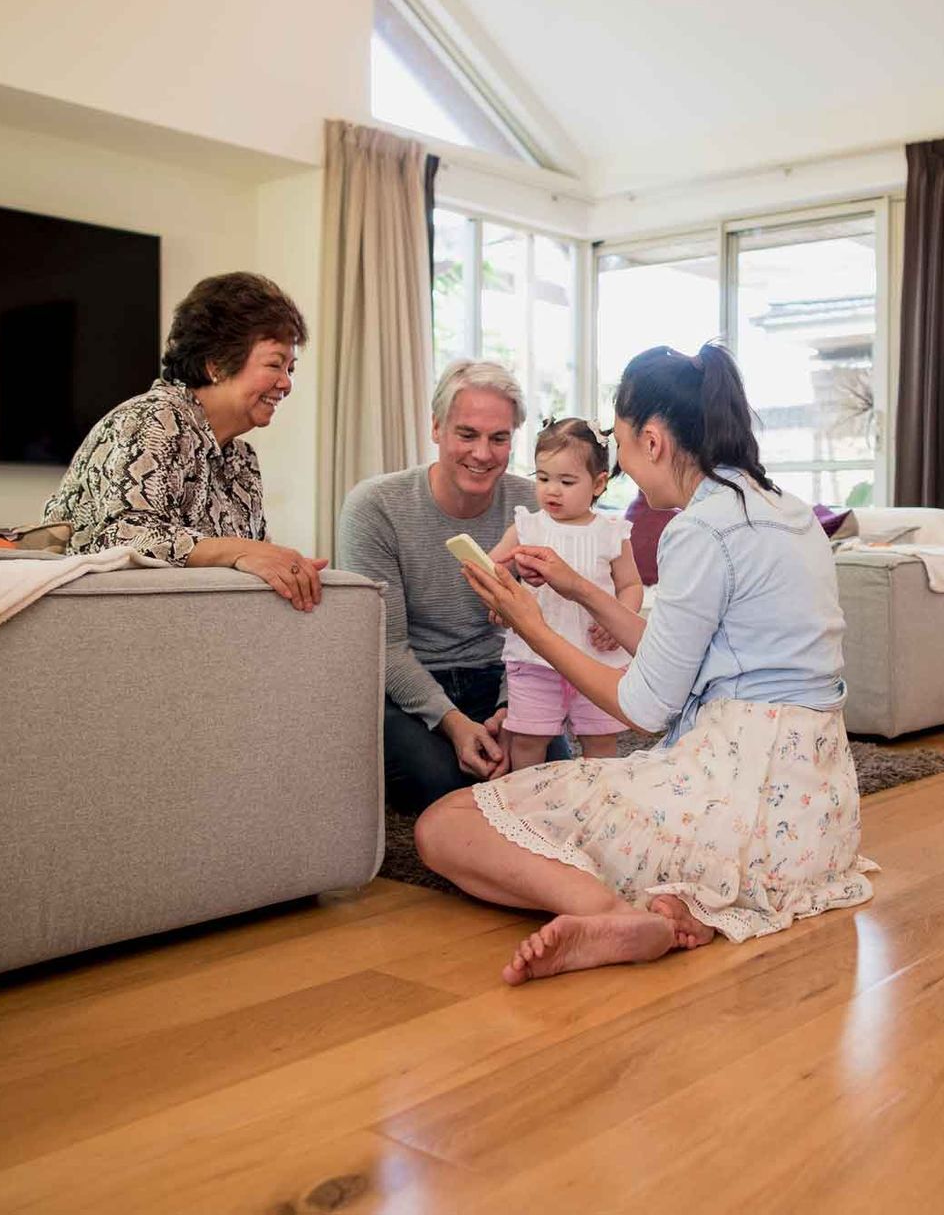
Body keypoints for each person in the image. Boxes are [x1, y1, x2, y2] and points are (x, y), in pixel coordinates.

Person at [415, 342, 875, 985]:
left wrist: (532, 625)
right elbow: (680, 655)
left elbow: (644, 704)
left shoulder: (701, 529)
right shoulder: (786, 510)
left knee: (447, 824)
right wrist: (582, 591)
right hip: (814, 821)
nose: (623, 464)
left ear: (653, 440)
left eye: (621, 443)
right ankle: (672, 906)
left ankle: (604, 912)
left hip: (735, 790)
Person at [43, 272, 328, 610]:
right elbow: (120, 538)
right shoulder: (154, 419)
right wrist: (243, 550)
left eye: (291, 369)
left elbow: (242, 566)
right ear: (217, 364)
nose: (286, 383)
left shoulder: (241, 458)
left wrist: (281, 565)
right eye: (274, 364)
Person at [336, 360, 538, 812]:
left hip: (502, 675)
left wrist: (513, 708)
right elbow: (385, 647)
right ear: (436, 428)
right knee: (443, 784)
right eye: (467, 434)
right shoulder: (375, 507)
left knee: (540, 774)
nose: (483, 453)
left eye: (499, 438)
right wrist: (453, 723)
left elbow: (535, 632)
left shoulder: (534, 504)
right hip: (408, 684)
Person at [490, 417, 643, 772]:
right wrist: (505, 584)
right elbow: (491, 566)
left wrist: (618, 617)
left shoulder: (611, 532)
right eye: (542, 478)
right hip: (534, 657)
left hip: (598, 659)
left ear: (598, 483)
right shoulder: (528, 526)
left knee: (601, 739)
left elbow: (631, 585)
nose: (552, 490)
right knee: (527, 738)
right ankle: (524, 805)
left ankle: (599, 802)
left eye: (566, 481)